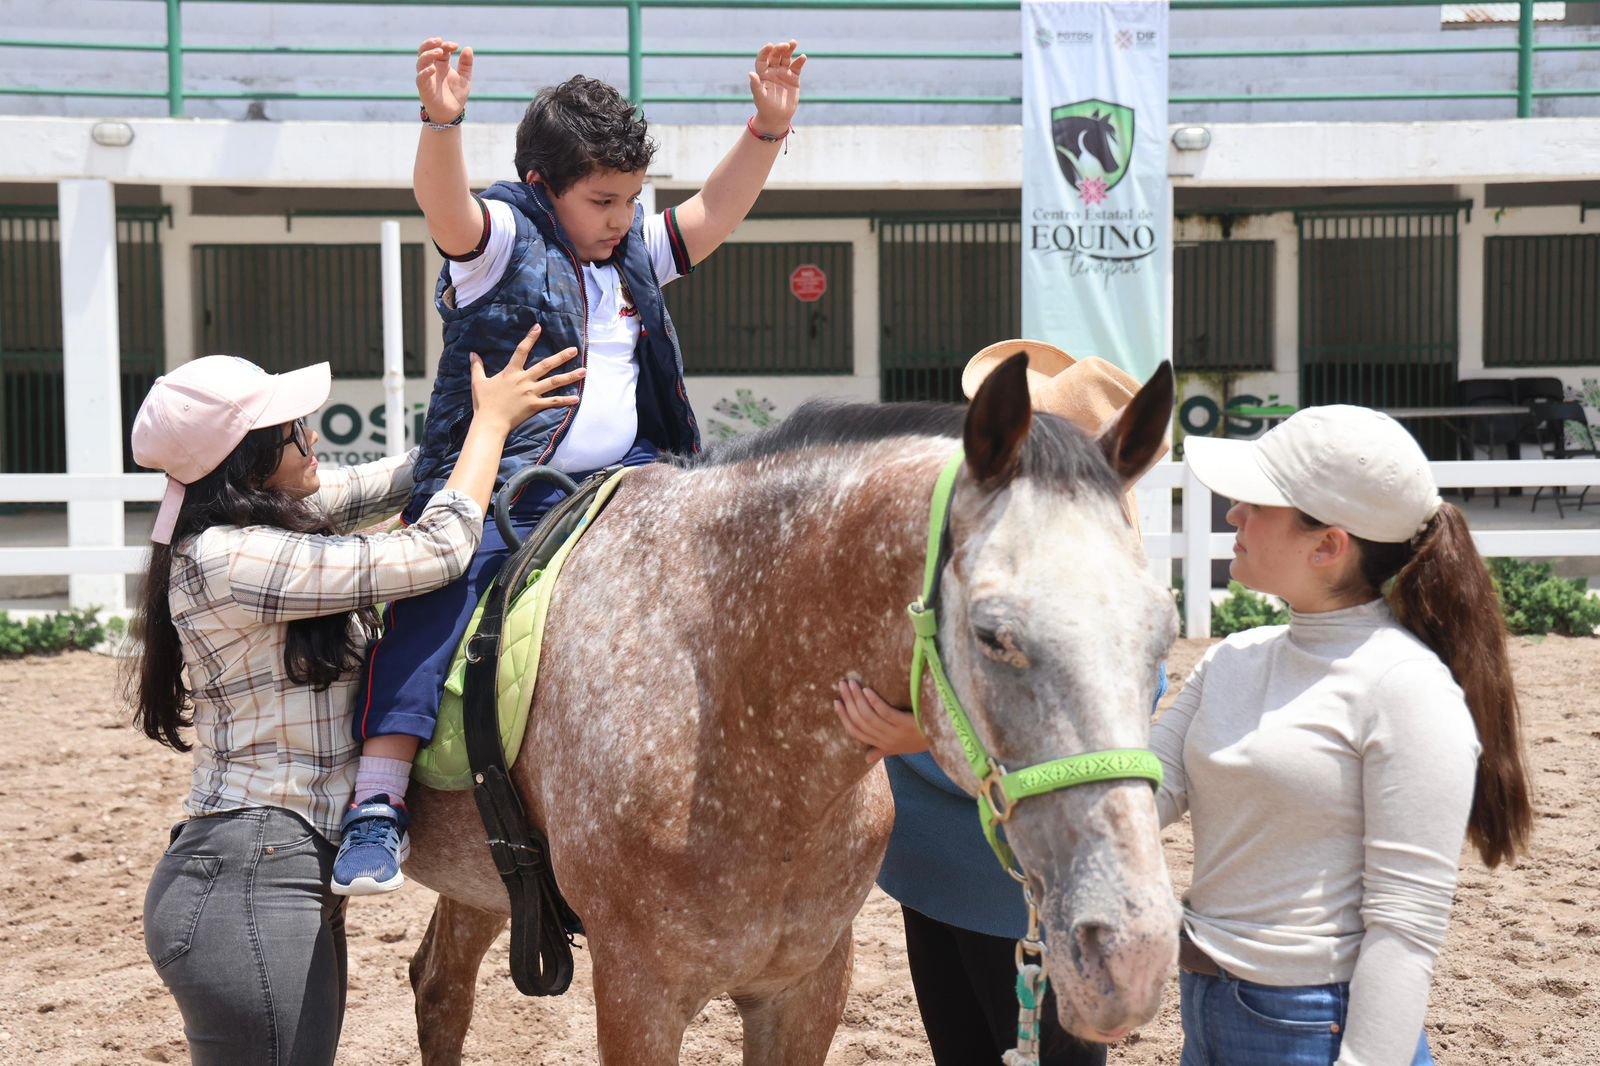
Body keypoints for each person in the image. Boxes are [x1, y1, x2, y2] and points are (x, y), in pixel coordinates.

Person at [332, 35, 807, 894]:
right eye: (604, 200)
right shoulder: (505, 237)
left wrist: (766, 133)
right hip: (502, 483)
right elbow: (447, 212)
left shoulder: (630, 252)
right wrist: (443, 124)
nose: (622, 217)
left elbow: (715, 212)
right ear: (547, 189)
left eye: (631, 198)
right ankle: (379, 798)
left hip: (632, 475)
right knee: (442, 588)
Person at [130, 333, 576, 1065]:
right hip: (252, 877)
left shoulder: (264, 518)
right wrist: (491, 428)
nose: (312, 438)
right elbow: (434, 550)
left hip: (269, 873)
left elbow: (398, 480)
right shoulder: (230, 557)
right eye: (289, 431)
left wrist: (482, 408)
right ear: (243, 458)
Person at [1158, 406, 1533, 1066]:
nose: (1232, 515)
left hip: (1318, 1026)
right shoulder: (1233, 658)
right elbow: (1139, 791)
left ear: (1328, 546)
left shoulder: (1405, 689)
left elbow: (1406, 928)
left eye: (1258, 504)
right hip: (1208, 1004)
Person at [833, 340, 1166, 1066]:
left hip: (1007, 872)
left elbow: (1117, 719)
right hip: (937, 861)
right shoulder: (992, 541)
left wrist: (913, 735)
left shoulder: (1082, 572)